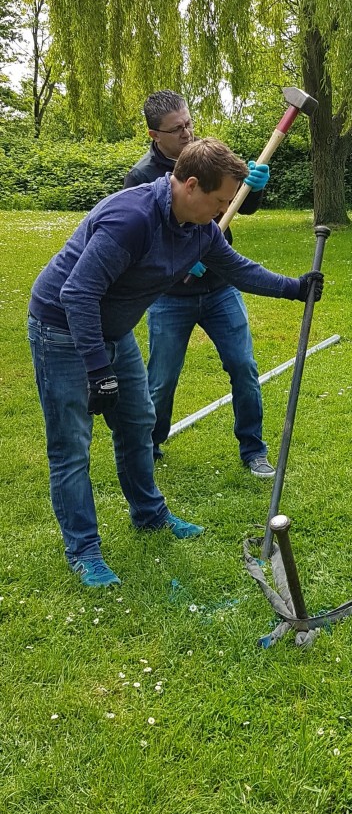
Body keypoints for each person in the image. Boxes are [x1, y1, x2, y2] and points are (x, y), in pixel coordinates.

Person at [28, 138, 323, 588]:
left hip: (114, 330)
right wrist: (98, 370)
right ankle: (84, 551)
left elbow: (236, 269)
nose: (225, 210)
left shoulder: (199, 229)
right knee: (71, 446)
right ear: (190, 185)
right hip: (62, 329)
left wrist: (294, 288)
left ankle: (149, 514)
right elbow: (77, 293)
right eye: (221, 201)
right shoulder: (132, 219)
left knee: (138, 424)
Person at [124, 90, 275, 476]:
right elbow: (141, 241)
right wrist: (180, 259)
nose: (187, 133)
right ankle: (150, 446)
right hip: (170, 296)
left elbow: (235, 204)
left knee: (244, 366)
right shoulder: (142, 176)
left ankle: (253, 449)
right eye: (176, 129)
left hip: (220, 287)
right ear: (154, 135)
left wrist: (254, 188)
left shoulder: (208, 157)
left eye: (188, 123)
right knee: (161, 379)